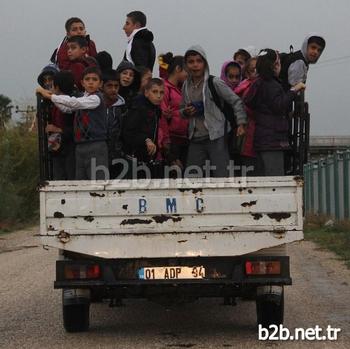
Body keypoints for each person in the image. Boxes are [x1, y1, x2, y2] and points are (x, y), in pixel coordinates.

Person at [181, 45, 247, 178]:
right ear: (186, 65)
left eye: (199, 61)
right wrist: (186, 111)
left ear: (204, 63)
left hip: (216, 136)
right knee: (191, 178)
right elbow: (181, 109)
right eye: (191, 62)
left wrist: (241, 123)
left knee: (223, 177)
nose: (195, 65)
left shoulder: (214, 82)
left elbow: (236, 101)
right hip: (196, 137)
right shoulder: (185, 85)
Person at [37, 67, 108, 180]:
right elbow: (67, 108)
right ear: (82, 83)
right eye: (87, 79)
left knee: (98, 183)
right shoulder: (82, 98)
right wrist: (53, 98)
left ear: (100, 84)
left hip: (95, 145)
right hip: (80, 146)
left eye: (94, 79)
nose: (90, 82)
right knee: (80, 183)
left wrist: (51, 96)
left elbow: (74, 103)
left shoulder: (96, 98)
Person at [244, 49, 306, 176]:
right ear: (275, 65)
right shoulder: (271, 84)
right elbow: (278, 106)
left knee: (263, 179)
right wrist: (294, 90)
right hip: (272, 141)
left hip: (261, 138)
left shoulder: (257, 83)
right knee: (275, 181)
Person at [122, 78, 164, 179]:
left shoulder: (156, 110)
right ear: (146, 93)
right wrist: (145, 139)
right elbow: (127, 133)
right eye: (154, 92)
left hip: (147, 160)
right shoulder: (138, 108)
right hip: (133, 160)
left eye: (161, 92)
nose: (158, 96)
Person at [39, 71, 76, 180]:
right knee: (58, 179)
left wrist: (58, 129)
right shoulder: (53, 103)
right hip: (57, 148)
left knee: (70, 180)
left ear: (57, 86)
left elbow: (76, 128)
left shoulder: (72, 103)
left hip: (69, 148)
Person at [158, 53, 189, 173]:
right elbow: (163, 116)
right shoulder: (164, 89)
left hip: (183, 139)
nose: (188, 74)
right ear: (178, 69)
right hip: (172, 140)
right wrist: (166, 143)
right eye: (186, 70)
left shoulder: (182, 89)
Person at [234, 57, 258, 173]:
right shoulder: (247, 88)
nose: (256, 72)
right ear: (247, 73)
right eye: (253, 70)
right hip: (249, 134)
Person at [102, 69, 127, 178]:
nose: (113, 89)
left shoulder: (123, 107)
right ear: (102, 86)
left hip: (117, 157)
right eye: (109, 86)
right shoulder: (95, 105)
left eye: (116, 86)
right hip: (99, 155)